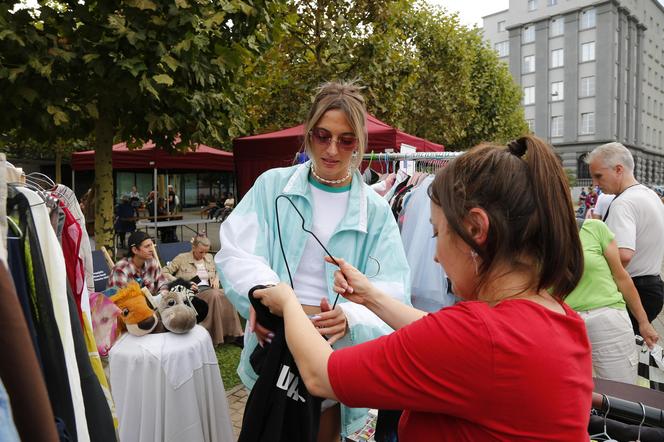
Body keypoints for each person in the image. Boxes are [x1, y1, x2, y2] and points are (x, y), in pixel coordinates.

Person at [254, 135, 593, 440]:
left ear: (475, 228)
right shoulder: (556, 315)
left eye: (437, 232)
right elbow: (444, 341)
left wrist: (288, 302)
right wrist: (371, 296)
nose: (434, 256)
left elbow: (320, 375)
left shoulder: (478, 334)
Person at [215, 81, 411, 441]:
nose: (332, 149)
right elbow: (236, 250)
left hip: (332, 352)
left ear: (360, 143)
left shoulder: (376, 210)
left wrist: (351, 317)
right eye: (322, 135)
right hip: (272, 341)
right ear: (308, 133)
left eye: (346, 139)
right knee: (268, 428)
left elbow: (395, 289)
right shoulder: (272, 187)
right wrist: (261, 298)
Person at [566, 218, 659, 384]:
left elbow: (621, 277)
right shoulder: (527, 239)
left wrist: (644, 322)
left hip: (607, 321)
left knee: (623, 393)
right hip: (560, 323)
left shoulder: (593, 228)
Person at [587, 142, 664, 333]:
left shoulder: (624, 202)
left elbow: (623, 255)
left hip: (634, 290)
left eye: (599, 176)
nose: (595, 184)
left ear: (618, 169)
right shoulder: (649, 194)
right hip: (652, 286)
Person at [162, 235, 243, 346]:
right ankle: (213, 335)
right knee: (215, 295)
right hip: (194, 292)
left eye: (206, 252)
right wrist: (184, 283)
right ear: (193, 247)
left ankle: (234, 334)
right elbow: (164, 272)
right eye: (201, 252)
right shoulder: (182, 258)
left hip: (210, 288)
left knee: (227, 294)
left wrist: (216, 278)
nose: (204, 255)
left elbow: (218, 269)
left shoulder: (209, 257)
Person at [108, 231, 168, 297]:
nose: (152, 249)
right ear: (135, 250)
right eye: (147, 246)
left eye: (152, 245)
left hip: (154, 304)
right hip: (128, 306)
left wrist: (161, 295)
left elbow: (163, 284)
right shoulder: (120, 269)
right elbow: (117, 300)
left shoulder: (152, 262)